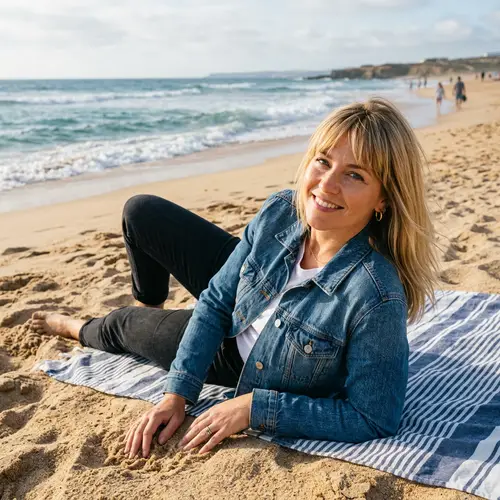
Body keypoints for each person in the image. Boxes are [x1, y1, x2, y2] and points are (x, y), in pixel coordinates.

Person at [31, 98, 438, 460]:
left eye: (355, 175)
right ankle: (150, 303)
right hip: (256, 291)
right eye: (323, 161)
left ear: (384, 198)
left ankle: (76, 327)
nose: (326, 185)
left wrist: (252, 407)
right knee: (142, 212)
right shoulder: (282, 209)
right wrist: (178, 392)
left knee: (123, 325)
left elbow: (373, 417)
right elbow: (216, 301)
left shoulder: (376, 294)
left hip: (245, 354)